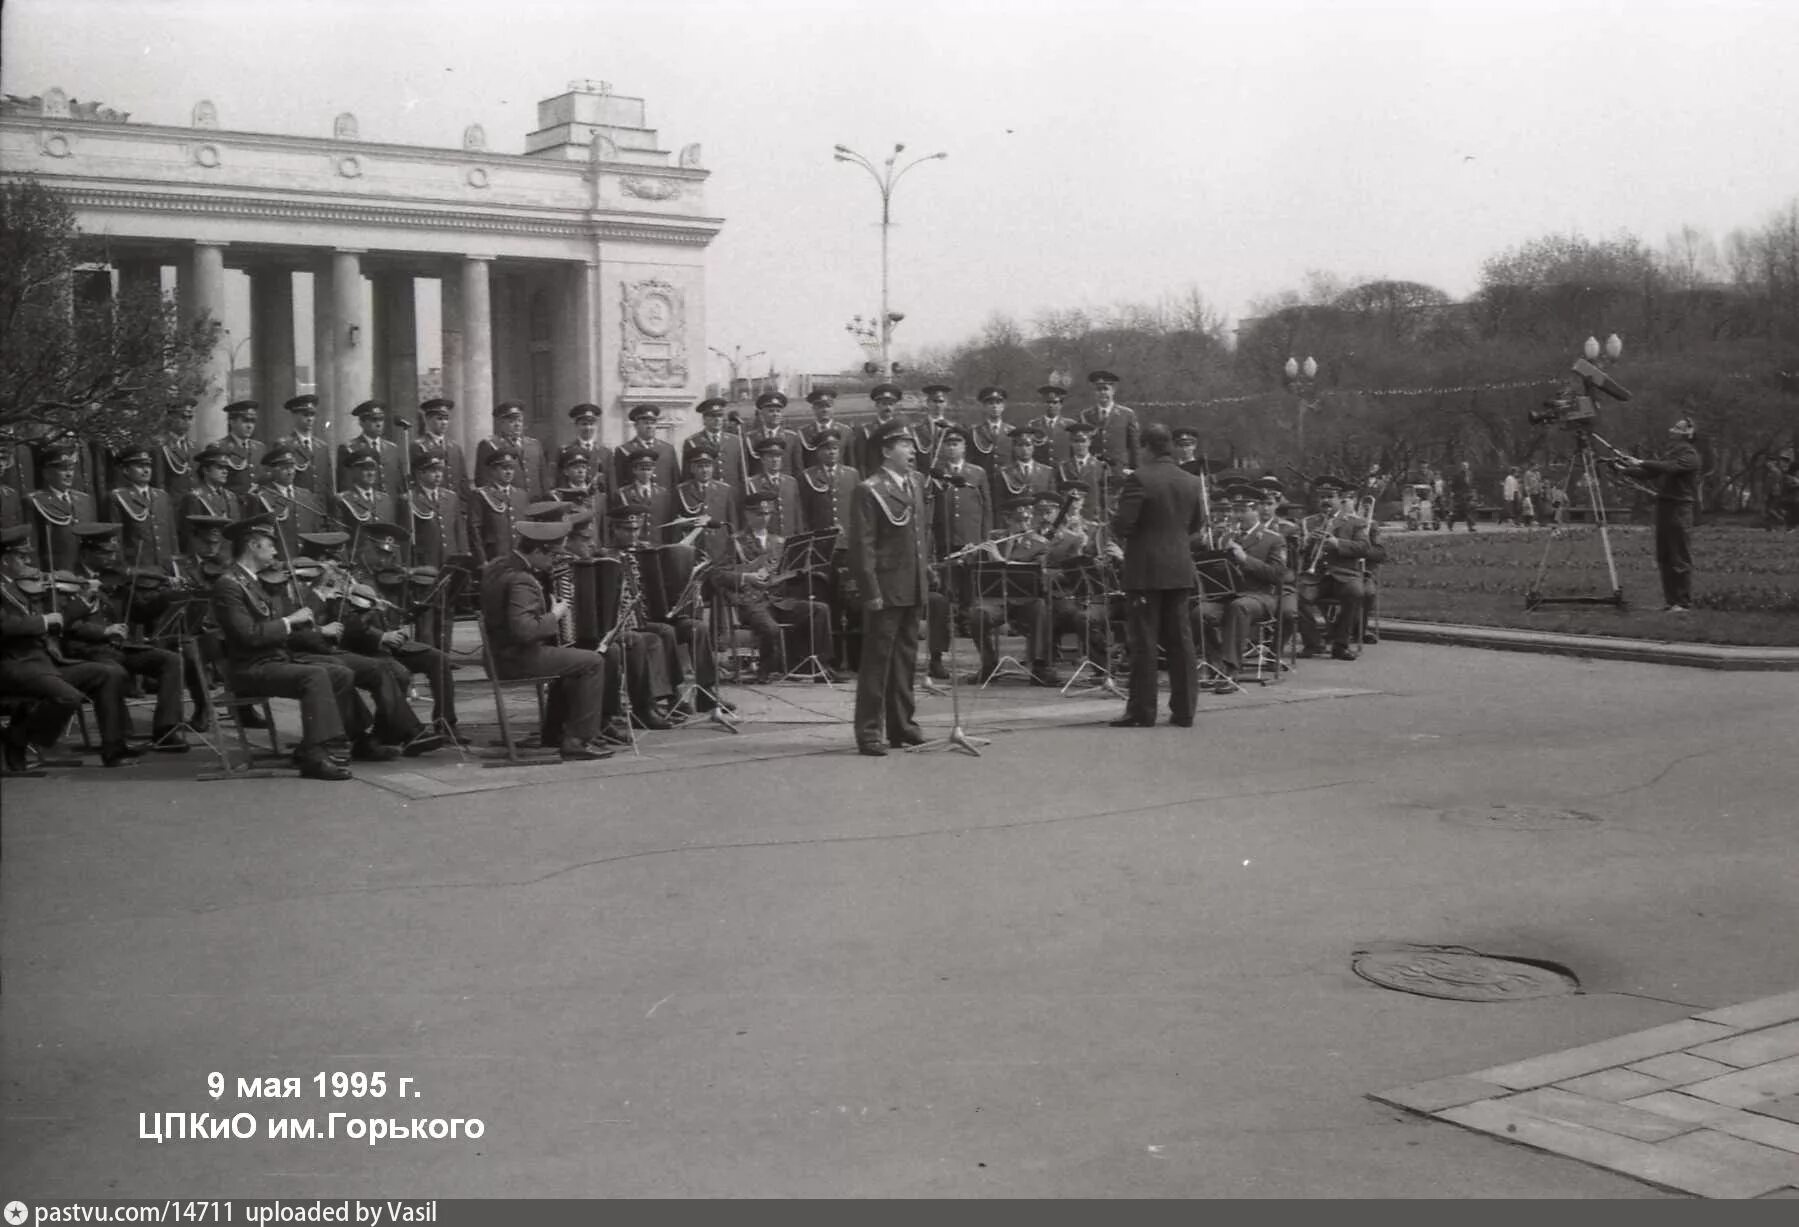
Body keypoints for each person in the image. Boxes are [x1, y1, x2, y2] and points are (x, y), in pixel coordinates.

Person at [208, 515, 356, 780]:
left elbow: (275, 623)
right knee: (315, 675)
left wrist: (306, 617)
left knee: (341, 672)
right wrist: (289, 621)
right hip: (250, 668)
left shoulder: (254, 581)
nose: (276, 552)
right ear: (253, 546)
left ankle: (317, 745)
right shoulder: (228, 585)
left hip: (274, 660)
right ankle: (315, 757)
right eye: (270, 545)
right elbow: (249, 636)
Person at [0, 523, 139, 770]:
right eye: (21, 557)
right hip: (14, 663)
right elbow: (5, 625)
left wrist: (82, 602)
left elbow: (62, 622)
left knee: (109, 673)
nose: (29, 563)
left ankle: (113, 748)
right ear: (4, 560)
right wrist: (43, 620)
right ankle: (17, 738)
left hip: (46, 661)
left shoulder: (29, 585)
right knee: (68, 697)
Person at [478, 519, 613, 761]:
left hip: (500, 655)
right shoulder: (521, 579)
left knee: (573, 659)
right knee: (592, 661)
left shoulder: (499, 565)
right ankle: (577, 740)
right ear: (538, 551)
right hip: (516, 659)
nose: (553, 563)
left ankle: (555, 732)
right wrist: (555, 615)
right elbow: (525, 631)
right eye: (552, 557)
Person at [62, 522, 191, 749]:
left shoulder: (116, 579)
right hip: (85, 649)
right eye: (105, 552)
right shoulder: (69, 580)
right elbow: (67, 623)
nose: (112, 558)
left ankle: (165, 730)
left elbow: (141, 611)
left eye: (114, 552)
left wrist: (168, 596)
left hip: (118, 648)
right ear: (86, 553)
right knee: (115, 670)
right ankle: (118, 735)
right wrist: (103, 631)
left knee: (172, 660)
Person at [1108, 422, 1204, 728]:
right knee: (1181, 641)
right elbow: (1197, 524)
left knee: (1145, 643)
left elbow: (1122, 526)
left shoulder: (1140, 479)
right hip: (1179, 568)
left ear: (1146, 447)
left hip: (1146, 571)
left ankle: (1142, 710)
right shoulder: (1190, 480)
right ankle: (1185, 710)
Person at [847, 420, 930, 755]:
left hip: (912, 583)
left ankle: (902, 725)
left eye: (911, 445)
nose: (911, 451)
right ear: (885, 450)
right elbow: (862, 546)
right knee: (878, 661)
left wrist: (926, 574)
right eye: (904, 445)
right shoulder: (870, 489)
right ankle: (869, 731)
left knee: (906, 660)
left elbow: (920, 536)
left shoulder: (915, 482)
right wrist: (871, 591)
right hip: (886, 586)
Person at [713, 492, 838, 683]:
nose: (764, 518)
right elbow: (718, 575)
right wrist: (747, 576)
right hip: (751, 603)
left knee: (820, 610)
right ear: (747, 514)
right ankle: (766, 671)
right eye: (759, 514)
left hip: (778, 601)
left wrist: (801, 569)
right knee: (771, 629)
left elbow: (785, 574)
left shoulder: (780, 542)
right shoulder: (736, 541)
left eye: (767, 514)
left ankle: (821, 667)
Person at [1193, 483, 1288, 692]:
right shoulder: (1225, 538)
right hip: (1229, 594)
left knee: (1239, 607)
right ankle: (1215, 665)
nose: (1237, 516)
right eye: (1235, 510)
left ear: (1256, 510)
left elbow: (1277, 575)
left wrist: (1245, 559)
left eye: (1243, 510)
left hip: (1260, 597)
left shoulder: (1274, 539)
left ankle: (1231, 670)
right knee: (1200, 612)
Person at [1612, 413, 1703, 611]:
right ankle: (1671, 602)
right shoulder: (1672, 452)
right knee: (1664, 556)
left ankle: (1683, 603)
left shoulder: (1690, 455)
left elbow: (1669, 468)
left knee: (1679, 556)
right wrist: (1623, 468)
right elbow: (1650, 472)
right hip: (1665, 506)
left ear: (1688, 434)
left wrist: (1640, 461)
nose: (1673, 429)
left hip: (1680, 508)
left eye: (1679, 427)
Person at [30, 443, 100, 570]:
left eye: (71, 469)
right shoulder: (35, 501)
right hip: (55, 573)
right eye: (62, 469)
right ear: (46, 473)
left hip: (84, 574)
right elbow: (33, 544)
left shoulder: (84, 500)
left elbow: (93, 539)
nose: (69, 474)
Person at [476, 402, 550, 500]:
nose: (517, 425)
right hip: (507, 504)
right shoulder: (491, 445)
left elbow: (543, 479)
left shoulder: (534, 444)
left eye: (520, 421)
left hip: (536, 504)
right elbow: (483, 480)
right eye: (512, 421)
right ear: (501, 423)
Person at [336, 400, 406, 499]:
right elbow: (345, 486)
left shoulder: (392, 449)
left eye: (381, 420)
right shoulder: (349, 449)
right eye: (374, 420)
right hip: (363, 506)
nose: (379, 424)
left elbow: (399, 486)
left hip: (390, 507)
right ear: (362, 423)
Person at [1082, 370, 1141, 479]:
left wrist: (1134, 470)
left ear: (1113, 391)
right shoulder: (1086, 415)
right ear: (1094, 392)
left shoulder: (1127, 415)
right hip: (1094, 471)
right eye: (1098, 389)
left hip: (1120, 471)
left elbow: (1134, 447)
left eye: (1106, 389)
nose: (1102, 393)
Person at [278, 395, 335, 504]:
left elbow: (328, 485)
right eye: (305, 415)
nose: (310, 419)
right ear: (294, 416)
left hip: (320, 509)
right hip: (299, 508)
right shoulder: (285, 445)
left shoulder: (322, 447)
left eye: (312, 414)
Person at [684, 398, 750, 492]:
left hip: (732, 496)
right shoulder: (693, 442)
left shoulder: (735, 441)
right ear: (704, 419)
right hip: (706, 495)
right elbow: (687, 476)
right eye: (712, 416)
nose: (717, 419)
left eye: (720, 415)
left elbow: (743, 474)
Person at [611, 404, 681, 491]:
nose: (649, 427)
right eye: (645, 423)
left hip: (663, 502)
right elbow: (619, 482)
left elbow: (676, 481)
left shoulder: (668, 449)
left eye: (653, 423)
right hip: (635, 501)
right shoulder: (624, 450)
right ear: (636, 426)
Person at [413, 398, 470, 499]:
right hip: (429, 502)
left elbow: (463, 481)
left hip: (453, 505)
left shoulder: (455, 447)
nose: (444, 422)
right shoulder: (419, 446)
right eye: (439, 419)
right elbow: (416, 479)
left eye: (446, 419)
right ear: (427, 419)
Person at [213, 401, 265, 495]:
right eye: (245, 421)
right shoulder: (219, 447)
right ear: (232, 422)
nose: (250, 426)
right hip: (233, 505)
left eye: (252, 421)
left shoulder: (259, 448)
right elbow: (214, 485)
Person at [561, 404, 610, 498]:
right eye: (584, 424)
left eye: (591, 424)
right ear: (576, 425)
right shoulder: (565, 450)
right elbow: (561, 480)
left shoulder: (605, 452)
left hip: (598, 502)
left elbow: (611, 484)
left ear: (596, 426)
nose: (588, 428)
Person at [1446, 461, 1477, 532]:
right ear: (1461, 467)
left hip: (1469, 495)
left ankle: (1469, 526)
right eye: (1464, 466)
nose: (1465, 468)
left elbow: (1471, 485)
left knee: (1468, 510)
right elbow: (1453, 485)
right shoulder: (1457, 475)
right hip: (1460, 496)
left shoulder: (1470, 474)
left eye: (1466, 466)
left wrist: (1473, 493)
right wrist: (1454, 493)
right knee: (1465, 510)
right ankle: (1451, 521)